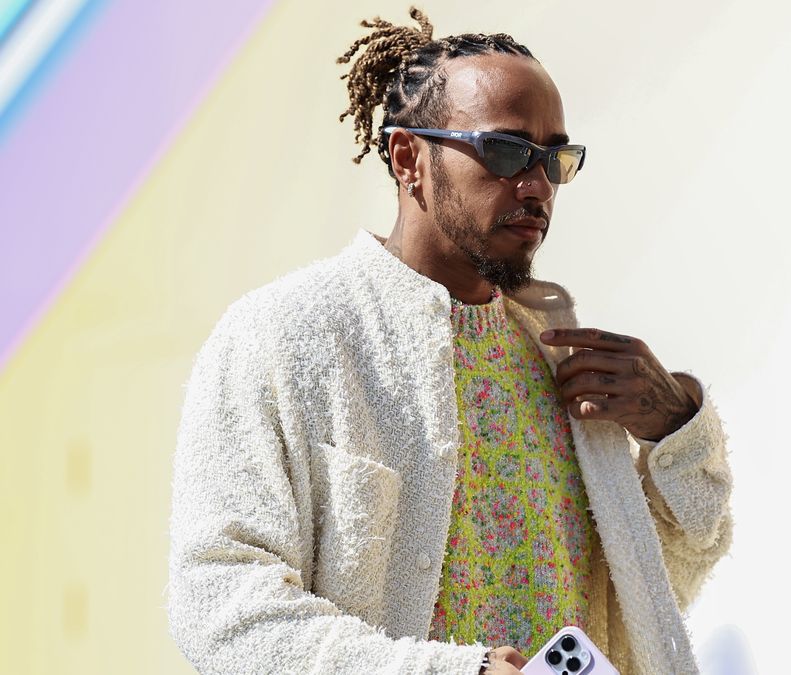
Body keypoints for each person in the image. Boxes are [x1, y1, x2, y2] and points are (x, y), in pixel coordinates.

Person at [167, 8, 732, 674]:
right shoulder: (281, 337)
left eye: (554, 159)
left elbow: (653, 600)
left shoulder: (559, 353)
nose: (537, 187)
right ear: (410, 158)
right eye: (506, 152)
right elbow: (222, 608)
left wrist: (677, 430)